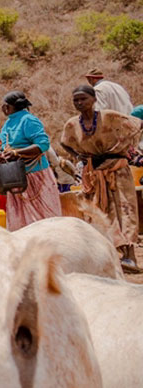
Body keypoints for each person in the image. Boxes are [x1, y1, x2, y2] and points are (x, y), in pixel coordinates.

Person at [61, 85, 143, 273]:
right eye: (76, 100)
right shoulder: (72, 125)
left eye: (83, 99)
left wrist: (121, 148)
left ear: (93, 99)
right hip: (94, 175)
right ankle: (106, 256)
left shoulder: (110, 117)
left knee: (125, 212)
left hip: (117, 172)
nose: (80, 103)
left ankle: (130, 257)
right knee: (99, 212)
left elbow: (137, 125)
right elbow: (65, 143)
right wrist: (82, 156)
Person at [0, 91, 61, 231]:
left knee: (44, 218)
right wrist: (0, 155)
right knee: (21, 220)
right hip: (16, 178)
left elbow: (42, 145)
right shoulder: (8, 123)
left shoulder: (28, 120)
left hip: (36, 176)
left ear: (7, 107)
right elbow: (3, 146)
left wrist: (17, 153)